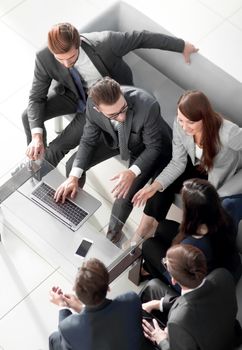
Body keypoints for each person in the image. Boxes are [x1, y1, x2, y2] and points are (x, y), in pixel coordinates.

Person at [23, 22, 197, 167]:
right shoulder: (44, 57)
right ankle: (37, 155)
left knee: (57, 147)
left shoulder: (106, 44)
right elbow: (36, 97)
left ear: (78, 44)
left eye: (71, 57)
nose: (66, 63)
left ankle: (39, 172)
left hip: (103, 102)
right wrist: (37, 136)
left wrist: (181, 46)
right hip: (73, 94)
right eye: (60, 59)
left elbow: (142, 38)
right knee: (28, 117)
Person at [54, 77, 172, 243]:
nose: (122, 117)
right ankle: (75, 212)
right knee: (72, 166)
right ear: (98, 109)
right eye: (114, 114)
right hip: (115, 138)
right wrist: (73, 178)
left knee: (123, 199)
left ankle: (111, 237)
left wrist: (132, 172)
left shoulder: (148, 105)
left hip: (147, 148)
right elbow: (88, 140)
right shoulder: (92, 104)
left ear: (121, 93)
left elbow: (154, 147)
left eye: (123, 108)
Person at [132, 90, 242, 238]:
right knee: (160, 185)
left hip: (217, 176)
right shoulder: (180, 124)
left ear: (205, 117)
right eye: (181, 120)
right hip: (196, 164)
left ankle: (166, 237)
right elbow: (178, 162)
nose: (184, 127)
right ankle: (142, 231)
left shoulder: (228, 133)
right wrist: (153, 187)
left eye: (191, 122)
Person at [141, 178, 242, 286]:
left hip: (203, 286)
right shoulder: (228, 205)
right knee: (163, 226)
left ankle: (159, 279)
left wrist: (168, 262)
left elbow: (187, 280)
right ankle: (151, 268)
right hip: (231, 266)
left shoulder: (191, 244)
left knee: (148, 246)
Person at [141, 244, 241, 350]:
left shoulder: (177, 321)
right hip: (230, 333)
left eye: (166, 264)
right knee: (153, 285)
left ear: (173, 280)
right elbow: (200, 300)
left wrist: (161, 339)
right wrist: (158, 304)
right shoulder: (223, 274)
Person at [49, 258, 153, 350]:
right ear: (108, 286)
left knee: (54, 338)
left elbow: (70, 332)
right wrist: (80, 307)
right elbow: (106, 324)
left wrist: (62, 306)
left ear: (75, 290)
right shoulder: (131, 300)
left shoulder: (68, 328)